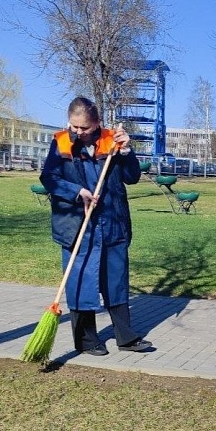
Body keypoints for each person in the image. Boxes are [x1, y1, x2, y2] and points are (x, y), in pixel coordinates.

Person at [40, 96, 152, 356]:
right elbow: (49, 178)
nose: (78, 132)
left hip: (112, 222)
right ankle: (87, 340)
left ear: (97, 123)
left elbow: (131, 177)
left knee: (116, 280)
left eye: (84, 128)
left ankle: (126, 337)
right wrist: (77, 192)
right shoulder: (61, 143)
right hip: (76, 224)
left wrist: (126, 152)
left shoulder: (112, 141)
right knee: (81, 280)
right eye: (74, 126)